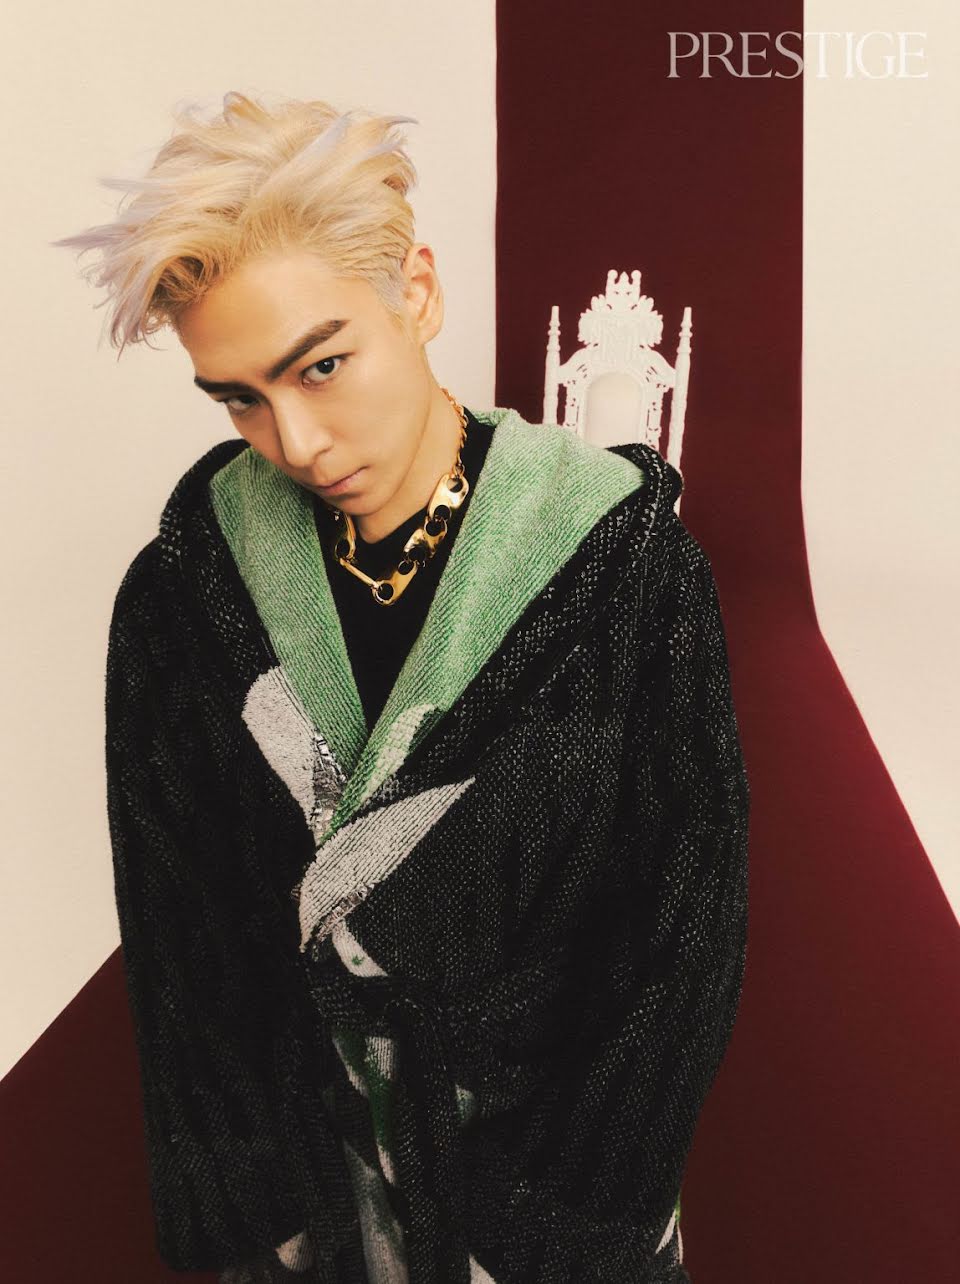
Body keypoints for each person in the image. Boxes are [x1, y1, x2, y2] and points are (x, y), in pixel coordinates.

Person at [53, 91, 751, 1284]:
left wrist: (559, 1226)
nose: (296, 441)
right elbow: (184, 953)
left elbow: (682, 937)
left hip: (555, 1219)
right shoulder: (185, 593)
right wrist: (262, 1223)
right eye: (240, 396)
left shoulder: (621, 564)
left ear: (416, 293)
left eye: (322, 366)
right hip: (311, 1216)